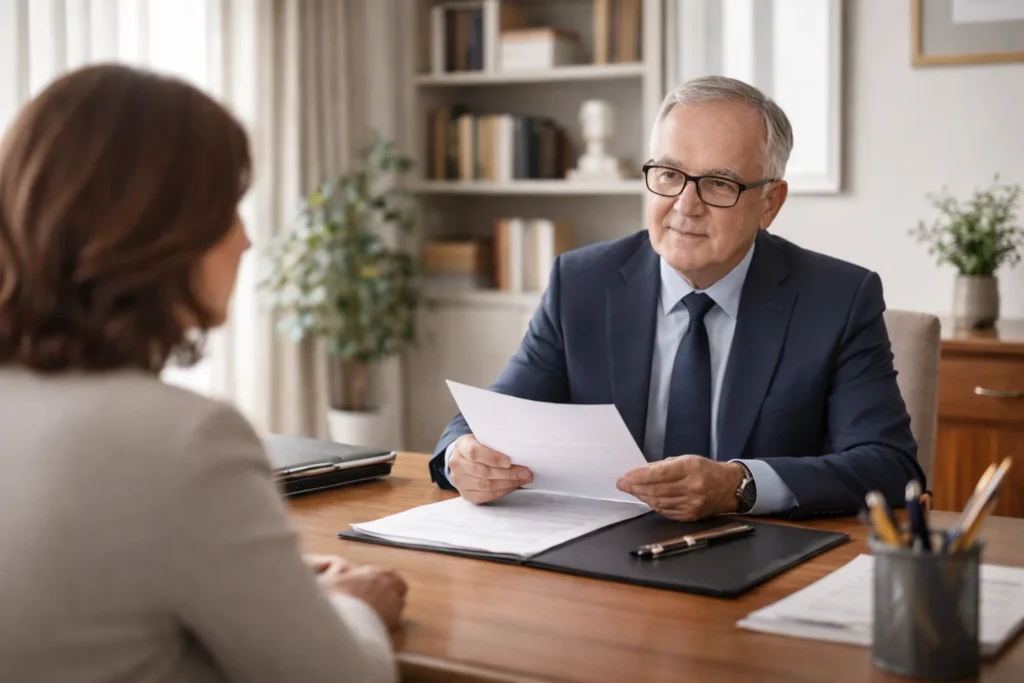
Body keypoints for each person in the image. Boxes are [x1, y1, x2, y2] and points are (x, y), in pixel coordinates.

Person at [0, 64, 404, 683]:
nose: (246, 241)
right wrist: (354, 604)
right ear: (157, 232)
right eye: (227, 208)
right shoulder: (180, 439)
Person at [430, 76, 925, 521]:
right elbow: (492, 419)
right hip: (599, 560)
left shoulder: (837, 299)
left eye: (719, 183)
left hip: (758, 561)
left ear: (769, 203)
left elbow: (889, 466)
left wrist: (740, 485)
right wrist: (462, 458)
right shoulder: (582, 282)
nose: (685, 206)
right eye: (668, 175)